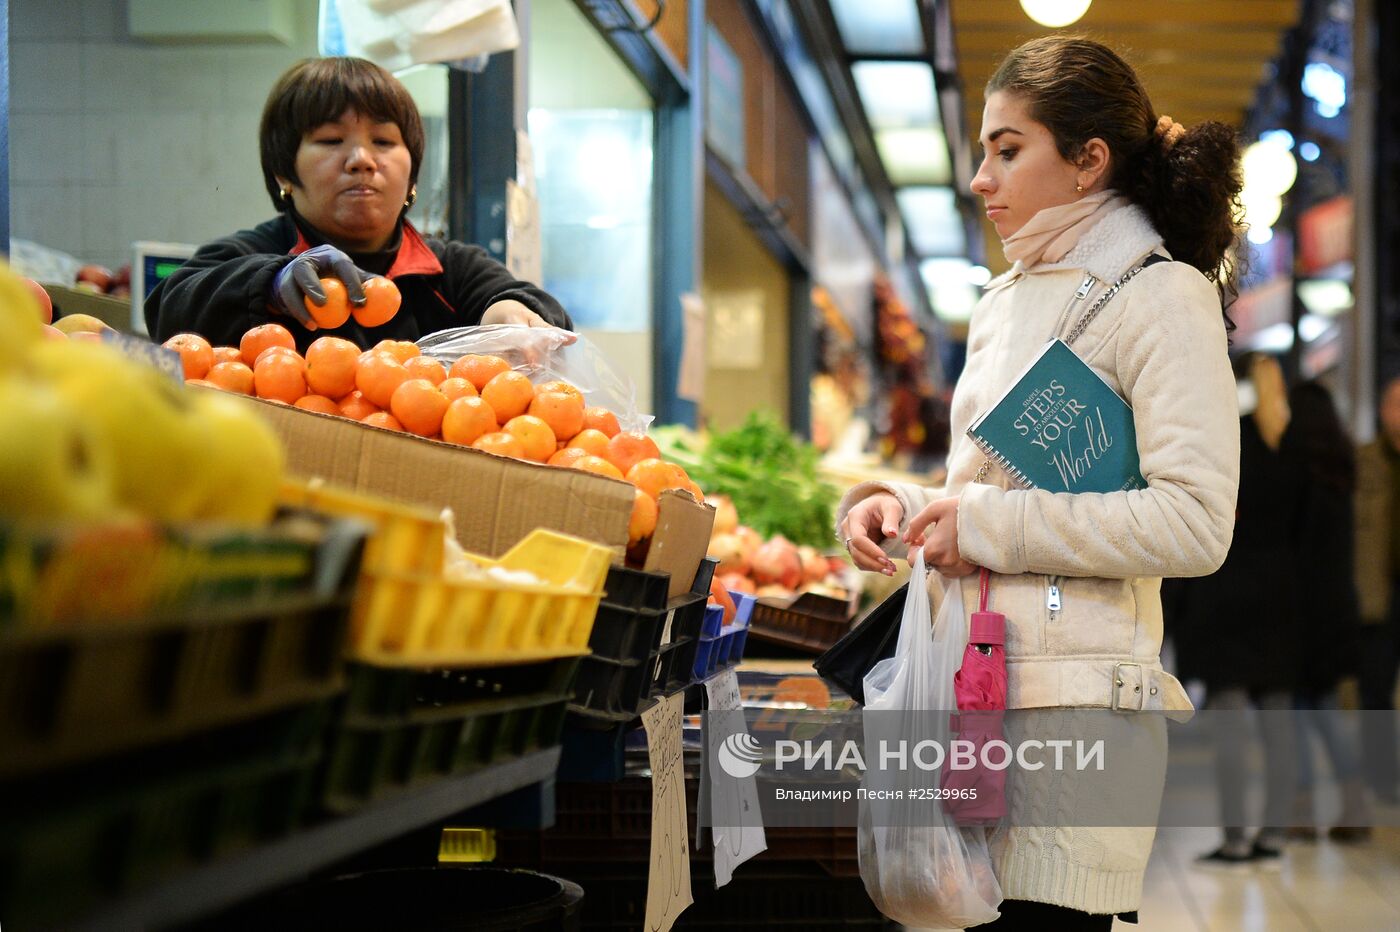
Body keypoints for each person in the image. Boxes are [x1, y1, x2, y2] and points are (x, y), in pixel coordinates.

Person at [838, 37, 1241, 929]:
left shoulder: (1160, 297)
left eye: (1008, 149)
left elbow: (1197, 523)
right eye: (984, 150)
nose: (981, 178)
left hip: (1074, 734)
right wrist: (902, 508)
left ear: (1089, 161)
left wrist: (983, 524)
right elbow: (981, 483)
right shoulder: (1003, 301)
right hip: (966, 705)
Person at [146, 57, 571, 350]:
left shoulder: (450, 272)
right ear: (283, 172)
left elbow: (538, 309)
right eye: (332, 141)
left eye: (384, 141)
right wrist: (275, 285)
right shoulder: (255, 253)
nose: (361, 160)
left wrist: (512, 312)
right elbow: (167, 309)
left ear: (411, 174)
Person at [1169, 354, 1302, 869]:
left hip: (1223, 594)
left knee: (1228, 725)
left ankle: (1235, 838)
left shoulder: (1228, 442)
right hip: (1281, 597)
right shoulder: (1293, 447)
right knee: (1277, 724)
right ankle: (1274, 834)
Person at [1282, 379, 1371, 842]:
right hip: (1337, 609)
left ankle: (1301, 811)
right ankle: (1354, 805)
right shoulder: (1343, 467)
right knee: (1328, 712)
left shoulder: (1294, 469)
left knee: (1299, 714)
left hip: (1301, 612)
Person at [1353, 375, 1400, 804]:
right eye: (1394, 406)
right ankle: (1381, 778)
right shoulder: (1364, 461)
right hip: (1379, 596)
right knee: (1376, 690)